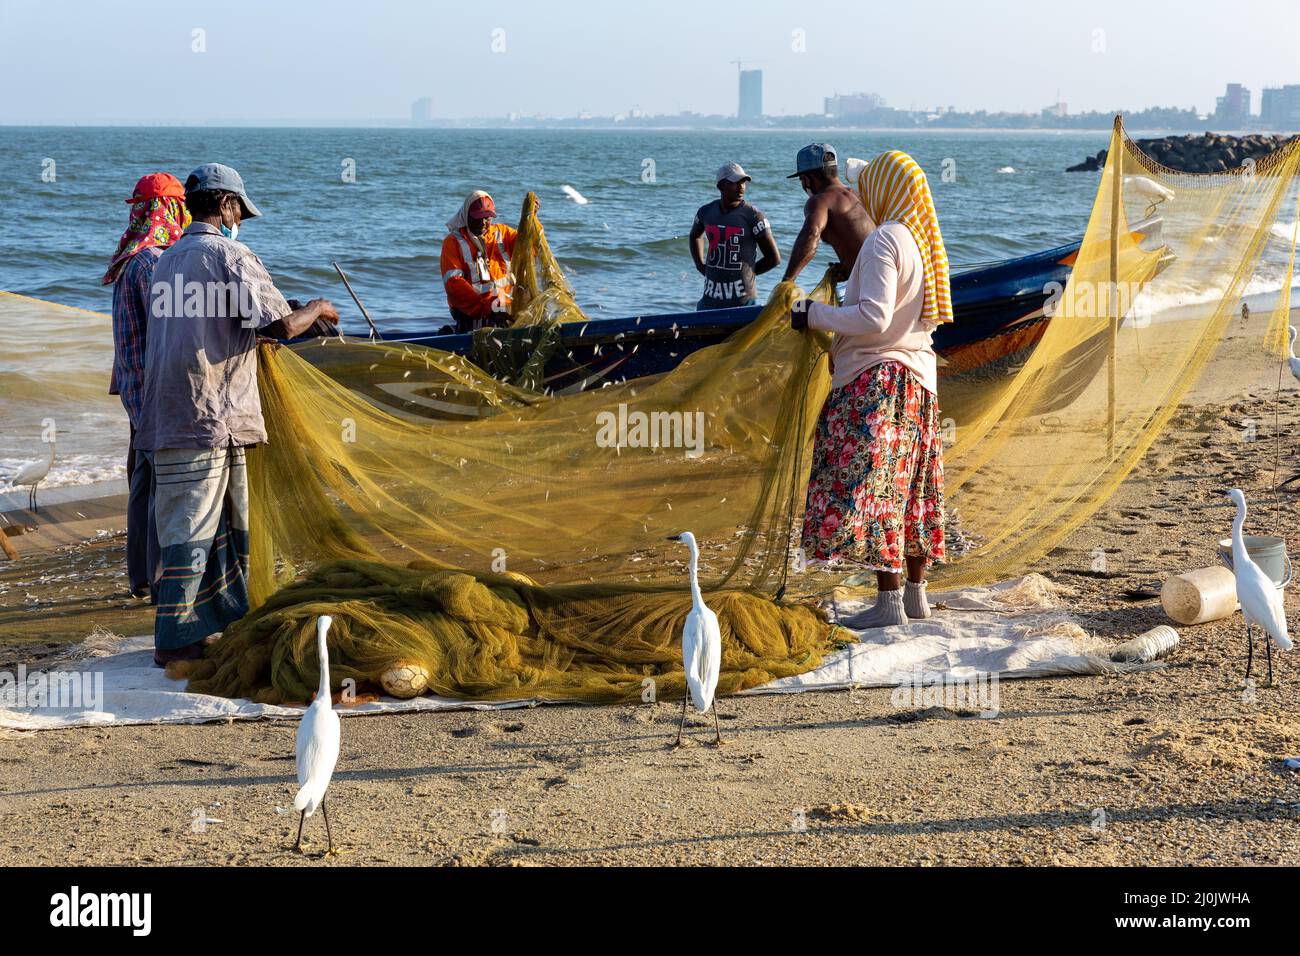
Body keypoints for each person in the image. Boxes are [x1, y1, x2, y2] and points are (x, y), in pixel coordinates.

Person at [135, 163, 338, 666]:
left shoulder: (164, 260)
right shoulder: (230, 254)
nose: (240, 221)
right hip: (211, 416)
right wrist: (319, 308)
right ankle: (175, 639)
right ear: (226, 205)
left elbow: (218, 323)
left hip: (167, 414)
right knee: (197, 526)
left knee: (199, 522)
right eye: (239, 212)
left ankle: (207, 626)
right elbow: (283, 325)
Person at [791, 150, 951, 627]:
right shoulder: (923, 241)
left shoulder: (885, 239)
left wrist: (810, 313)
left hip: (878, 380)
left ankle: (887, 605)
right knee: (915, 490)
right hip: (921, 380)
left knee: (878, 489)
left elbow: (873, 317)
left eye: (871, 185)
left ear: (884, 190)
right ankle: (917, 596)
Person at [103, 172, 190, 600]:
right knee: (162, 485)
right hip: (155, 389)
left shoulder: (129, 258)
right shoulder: (155, 262)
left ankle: (139, 576)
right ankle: (159, 583)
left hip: (133, 387)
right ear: (171, 209)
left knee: (141, 481)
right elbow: (174, 326)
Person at [781, 143, 876, 286]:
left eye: (801, 180)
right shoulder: (857, 196)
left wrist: (787, 282)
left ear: (806, 179)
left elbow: (811, 235)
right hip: (886, 276)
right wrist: (848, 268)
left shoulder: (820, 201)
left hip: (869, 284)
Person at [688, 162, 780, 310]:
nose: (741, 186)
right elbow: (695, 236)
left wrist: (750, 272)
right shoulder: (706, 212)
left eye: (743, 182)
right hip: (710, 299)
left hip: (743, 302)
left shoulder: (754, 216)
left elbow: (774, 259)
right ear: (720, 186)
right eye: (734, 182)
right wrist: (700, 264)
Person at [441, 191, 517, 333]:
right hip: (471, 315)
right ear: (466, 216)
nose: (483, 223)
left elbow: (529, 245)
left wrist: (530, 217)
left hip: (505, 311)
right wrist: (487, 309)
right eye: (477, 218)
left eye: (487, 218)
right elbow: (454, 284)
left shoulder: (503, 234)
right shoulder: (453, 242)